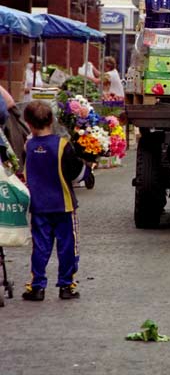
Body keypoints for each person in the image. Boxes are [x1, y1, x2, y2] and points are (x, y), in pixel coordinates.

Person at [21, 100, 95, 301]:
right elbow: (76, 174)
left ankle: (37, 287)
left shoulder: (28, 147)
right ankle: (66, 285)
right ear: (52, 120)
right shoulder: (63, 145)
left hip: (38, 207)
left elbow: (24, 172)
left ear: (28, 123)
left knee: (40, 247)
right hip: (64, 206)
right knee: (67, 246)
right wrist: (88, 169)